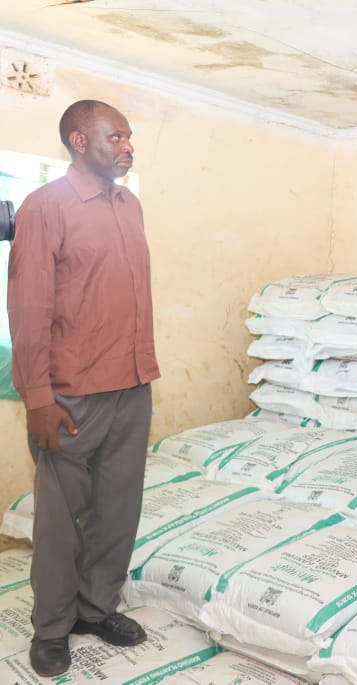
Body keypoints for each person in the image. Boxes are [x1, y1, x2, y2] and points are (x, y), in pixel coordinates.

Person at [8, 100, 159, 677]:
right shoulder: (45, 207)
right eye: (115, 137)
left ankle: (97, 608)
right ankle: (51, 627)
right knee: (61, 518)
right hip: (71, 395)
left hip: (132, 384)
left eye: (128, 138)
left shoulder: (130, 205)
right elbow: (28, 308)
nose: (126, 147)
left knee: (118, 510)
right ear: (78, 140)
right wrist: (38, 398)